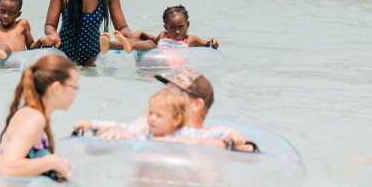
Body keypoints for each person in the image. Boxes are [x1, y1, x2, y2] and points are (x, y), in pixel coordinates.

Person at [80, 68, 253, 151]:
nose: (166, 95)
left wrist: (195, 143)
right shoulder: (146, 125)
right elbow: (95, 151)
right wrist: (114, 132)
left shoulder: (218, 133)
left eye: (175, 91)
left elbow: (252, 153)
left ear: (196, 104)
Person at [0, 54, 77, 180]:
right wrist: (54, 162)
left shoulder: (32, 113)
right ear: (56, 88)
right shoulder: (34, 118)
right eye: (74, 88)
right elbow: (8, 168)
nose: (75, 95)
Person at [127, 5, 219, 51]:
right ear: (166, 27)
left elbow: (210, 46)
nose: (177, 31)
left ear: (188, 24)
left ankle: (132, 43)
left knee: (150, 43)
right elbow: (153, 44)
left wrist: (214, 43)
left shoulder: (190, 39)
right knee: (150, 43)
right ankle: (114, 44)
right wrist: (142, 35)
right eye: (172, 28)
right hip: (157, 63)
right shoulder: (163, 35)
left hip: (172, 66)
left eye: (181, 27)